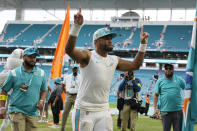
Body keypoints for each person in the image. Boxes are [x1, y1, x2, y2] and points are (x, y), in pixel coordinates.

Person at [65, 8, 149, 131]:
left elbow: (135, 65)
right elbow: (69, 50)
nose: (110, 40)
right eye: (106, 38)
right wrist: (76, 27)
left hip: (103, 110)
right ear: (96, 42)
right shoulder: (88, 56)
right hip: (84, 110)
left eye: (111, 37)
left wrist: (143, 44)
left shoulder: (114, 60)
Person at [0, 47, 48, 131]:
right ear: (23, 57)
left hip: (33, 112)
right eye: (30, 57)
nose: (33, 59)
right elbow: (4, 91)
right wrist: (2, 108)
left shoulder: (42, 73)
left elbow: (44, 90)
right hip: (16, 111)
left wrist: (41, 101)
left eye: (34, 57)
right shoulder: (14, 73)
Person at [153, 64, 186, 131]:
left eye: (170, 68)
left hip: (177, 110)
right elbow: (156, 95)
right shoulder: (160, 81)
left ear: (173, 70)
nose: (168, 70)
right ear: (164, 70)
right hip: (165, 111)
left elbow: (187, 87)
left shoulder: (179, 79)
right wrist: (155, 108)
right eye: (166, 68)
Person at [0, 49, 24, 131]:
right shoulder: (20, 74)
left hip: (12, 98)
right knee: (11, 120)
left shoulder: (7, 73)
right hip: (13, 99)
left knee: (9, 120)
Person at [61, 65, 80, 131]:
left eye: (76, 68)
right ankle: (62, 128)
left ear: (77, 69)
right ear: (71, 69)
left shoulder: (81, 77)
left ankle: (77, 128)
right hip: (69, 96)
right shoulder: (67, 77)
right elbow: (62, 85)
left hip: (77, 96)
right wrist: (66, 92)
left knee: (77, 113)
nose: (75, 69)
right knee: (65, 113)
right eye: (73, 68)